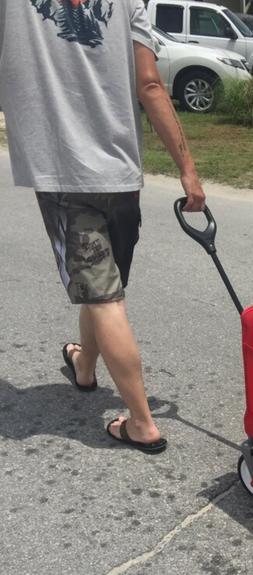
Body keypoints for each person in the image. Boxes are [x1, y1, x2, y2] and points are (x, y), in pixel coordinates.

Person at [0, 0, 205, 454]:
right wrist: (188, 170)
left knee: (105, 297)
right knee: (103, 288)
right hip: (122, 175)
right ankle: (85, 367)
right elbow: (149, 84)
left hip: (64, 174)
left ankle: (142, 423)